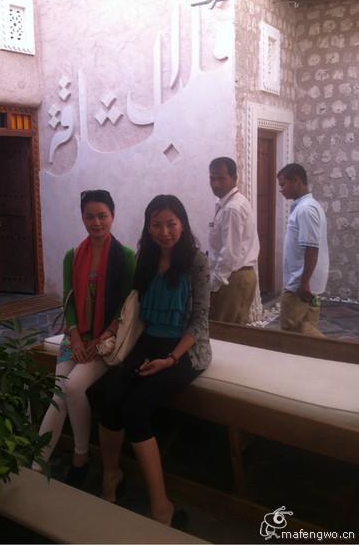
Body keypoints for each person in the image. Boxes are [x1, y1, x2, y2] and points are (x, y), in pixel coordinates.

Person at [98, 195, 211, 527]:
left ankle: (161, 506)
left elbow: (200, 320)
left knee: (135, 411)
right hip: (148, 341)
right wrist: (110, 331)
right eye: (157, 224)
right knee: (110, 403)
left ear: (182, 224)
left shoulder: (195, 261)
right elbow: (132, 307)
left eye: (171, 224)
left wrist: (171, 359)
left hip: (185, 350)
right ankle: (111, 476)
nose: (164, 232)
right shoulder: (145, 258)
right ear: (148, 227)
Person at [33, 190, 136, 486]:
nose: (96, 222)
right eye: (90, 216)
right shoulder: (73, 256)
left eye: (102, 216)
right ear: (82, 217)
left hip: (106, 341)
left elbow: (126, 307)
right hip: (76, 339)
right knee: (58, 393)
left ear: (112, 216)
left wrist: (101, 338)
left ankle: (80, 457)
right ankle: (37, 465)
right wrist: (76, 339)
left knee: (73, 386)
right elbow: (68, 301)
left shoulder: (126, 257)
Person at [277, 163, 329, 336]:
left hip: (299, 284)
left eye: (283, 184)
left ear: (296, 181)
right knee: (306, 329)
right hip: (303, 281)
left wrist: (304, 282)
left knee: (291, 331)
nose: (281, 190)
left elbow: (311, 247)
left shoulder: (306, 209)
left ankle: (337, 351)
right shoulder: (305, 207)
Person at [208, 157, 260, 325]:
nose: (215, 184)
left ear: (234, 178)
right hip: (234, 276)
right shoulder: (227, 203)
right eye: (212, 178)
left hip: (233, 278)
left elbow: (229, 254)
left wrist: (214, 286)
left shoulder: (232, 208)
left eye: (221, 179)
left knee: (225, 331)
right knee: (234, 328)